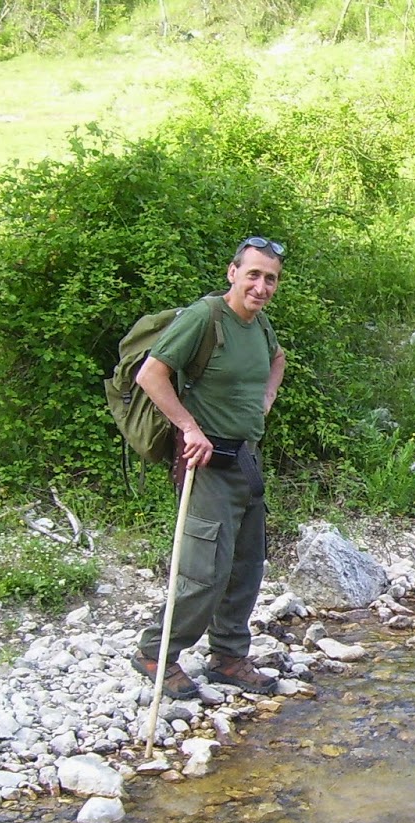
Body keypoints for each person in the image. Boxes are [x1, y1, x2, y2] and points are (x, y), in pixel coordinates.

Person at [130, 237, 289, 700]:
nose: (260, 286)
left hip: (246, 461)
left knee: (246, 566)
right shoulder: (206, 317)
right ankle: (156, 653)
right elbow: (151, 374)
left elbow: (277, 359)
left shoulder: (259, 326)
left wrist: (268, 396)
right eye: (253, 274)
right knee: (205, 571)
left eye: (270, 279)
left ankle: (228, 657)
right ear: (232, 273)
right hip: (206, 464)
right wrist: (189, 428)